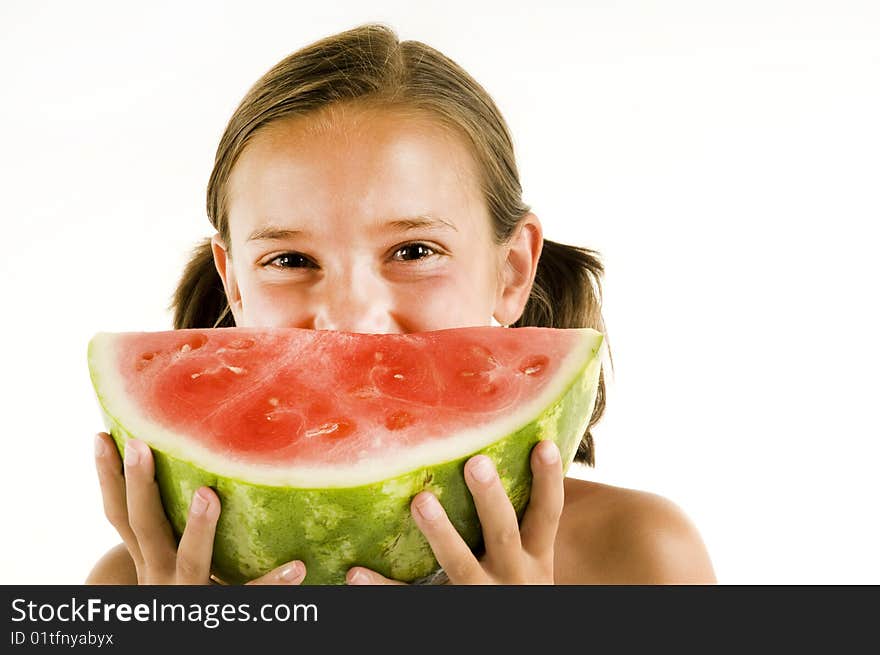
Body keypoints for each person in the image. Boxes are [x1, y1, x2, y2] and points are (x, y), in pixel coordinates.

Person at [87, 23, 715, 585]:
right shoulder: (142, 584)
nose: (352, 317)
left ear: (512, 269)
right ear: (235, 285)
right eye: (289, 260)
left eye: (414, 252)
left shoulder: (635, 557)